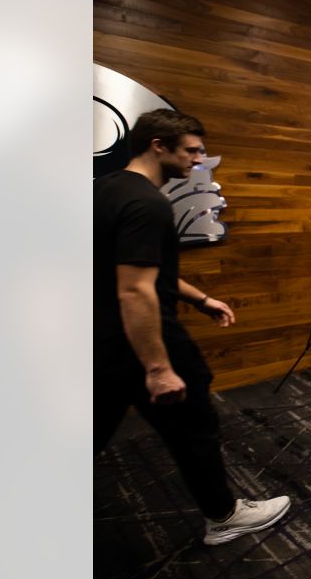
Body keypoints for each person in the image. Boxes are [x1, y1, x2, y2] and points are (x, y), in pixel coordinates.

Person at [94, 109, 291, 546]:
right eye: (192, 151)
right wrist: (158, 368)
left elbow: (148, 270)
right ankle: (224, 515)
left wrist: (202, 299)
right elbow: (136, 291)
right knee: (194, 422)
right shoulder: (148, 203)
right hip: (142, 338)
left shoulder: (104, 190)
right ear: (158, 146)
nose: (199, 160)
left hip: (100, 338)